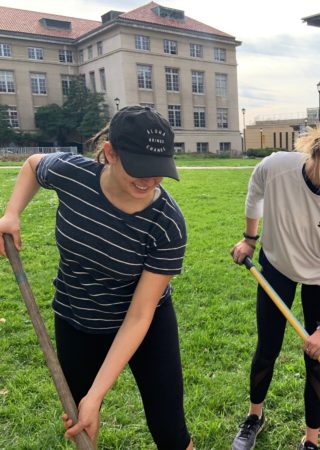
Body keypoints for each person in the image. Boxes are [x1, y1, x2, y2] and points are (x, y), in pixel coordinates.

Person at [0, 106, 192, 449]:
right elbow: (32, 166)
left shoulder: (167, 224)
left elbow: (139, 315)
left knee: (170, 430)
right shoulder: (73, 174)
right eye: (139, 169)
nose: (149, 181)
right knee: (83, 421)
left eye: (158, 171)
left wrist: (99, 391)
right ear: (109, 153)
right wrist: (12, 213)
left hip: (144, 325)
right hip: (77, 316)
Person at [230, 111, 320, 450]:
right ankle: (255, 416)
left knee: (317, 357)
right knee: (267, 346)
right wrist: (249, 238)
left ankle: (311, 440)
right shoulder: (276, 167)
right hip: (277, 266)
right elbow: (255, 192)